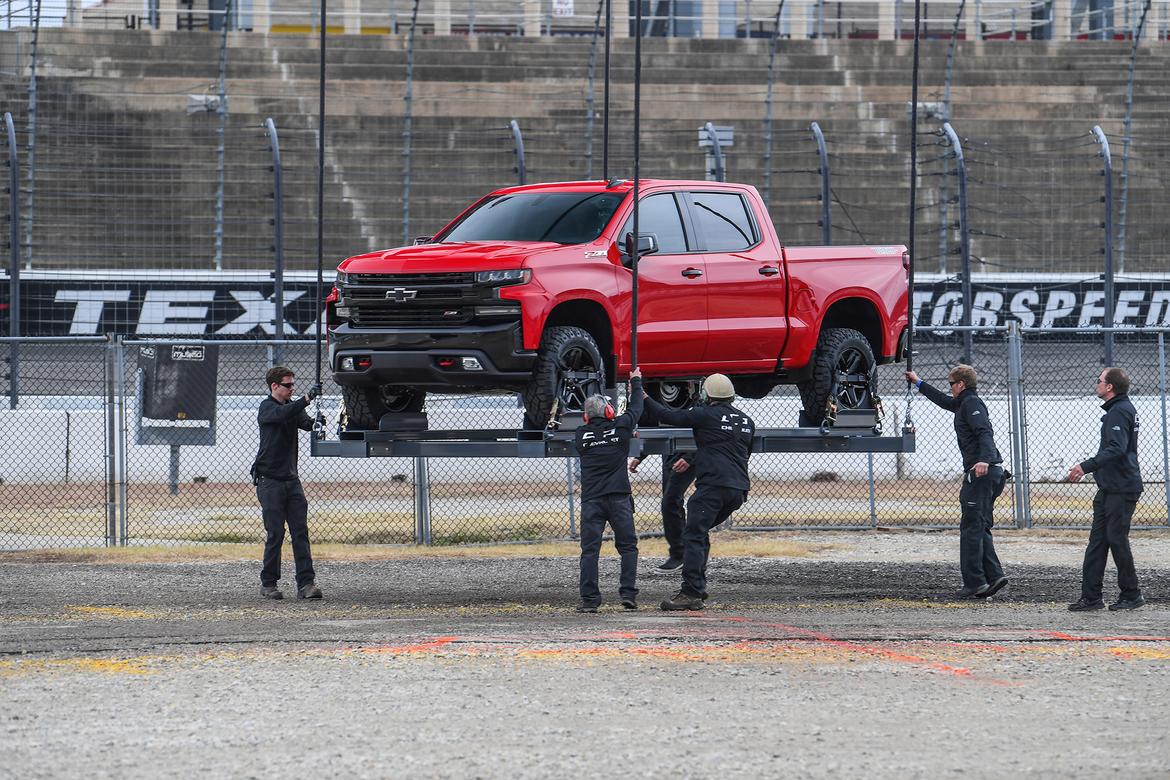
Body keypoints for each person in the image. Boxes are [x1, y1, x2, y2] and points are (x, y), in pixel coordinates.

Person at [641, 374, 754, 611]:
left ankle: (691, 592)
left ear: (706, 394)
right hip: (738, 490)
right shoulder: (746, 421)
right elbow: (746, 452)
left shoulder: (704, 414)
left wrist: (642, 396)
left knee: (692, 535)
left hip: (712, 488)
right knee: (699, 533)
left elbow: (667, 416)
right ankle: (697, 589)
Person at [905, 364, 1009, 599]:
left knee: (971, 528)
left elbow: (985, 431)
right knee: (979, 525)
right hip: (989, 472)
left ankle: (975, 582)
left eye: (951, 384)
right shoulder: (963, 402)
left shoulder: (971, 403)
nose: (949, 388)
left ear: (961, 384)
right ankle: (994, 576)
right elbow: (943, 401)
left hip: (982, 472)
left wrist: (984, 460)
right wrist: (918, 382)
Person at [1066, 367, 1145, 612]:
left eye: (1099, 380)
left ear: (1109, 387)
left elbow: (1116, 449)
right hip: (1111, 487)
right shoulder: (1119, 409)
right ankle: (1091, 597)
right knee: (1098, 542)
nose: (1096, 383)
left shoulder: (1119, 411)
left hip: (1121, 488)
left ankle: (1131, 594)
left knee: (1116, 540)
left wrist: (1085, 466)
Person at [573, 368, 644, 612]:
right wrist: (635, 381)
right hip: (619, 499)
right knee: (627, 547)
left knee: (590, 550)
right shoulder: (622, 427)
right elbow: (636, 408)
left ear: (586, 417)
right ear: (610, 412)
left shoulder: (581, 435)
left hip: (592, 500)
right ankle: (628, 595)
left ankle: (590, 601)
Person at [253, 366, 323, 601]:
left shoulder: (292, 408)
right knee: (275, 533)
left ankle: (306, 584)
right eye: (288, 385)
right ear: (274, 386)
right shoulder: (267, 408)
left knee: (300, 532)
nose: (292, 388)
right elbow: (283, 414)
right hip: (269, 481)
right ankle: (268, 583)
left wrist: (317, 422)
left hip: (291, 481)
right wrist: (306, 399)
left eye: (293, 385)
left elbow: (304, 422)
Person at [628, 449, 695, 571]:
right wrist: (640, 456)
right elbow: (655, 431)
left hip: (689, 454)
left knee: (670, 503)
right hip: (670, 456)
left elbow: (705, 432)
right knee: (672, 503)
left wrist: (690, 457)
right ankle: (686, 554)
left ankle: (681, 554)